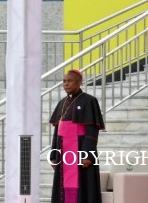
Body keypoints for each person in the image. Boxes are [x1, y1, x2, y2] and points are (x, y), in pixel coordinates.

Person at [49, 69, 105, 203]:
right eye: (64, 81)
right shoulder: (62, 103)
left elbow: (91, 131)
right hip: (64, 151)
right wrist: (54, 155)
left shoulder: (89, 101)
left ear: (79, 82)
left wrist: (87, 155)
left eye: (69, 81)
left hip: (80, 149)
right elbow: (57, 132)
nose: (66, 84)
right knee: (63, 188)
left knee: (83, 187)